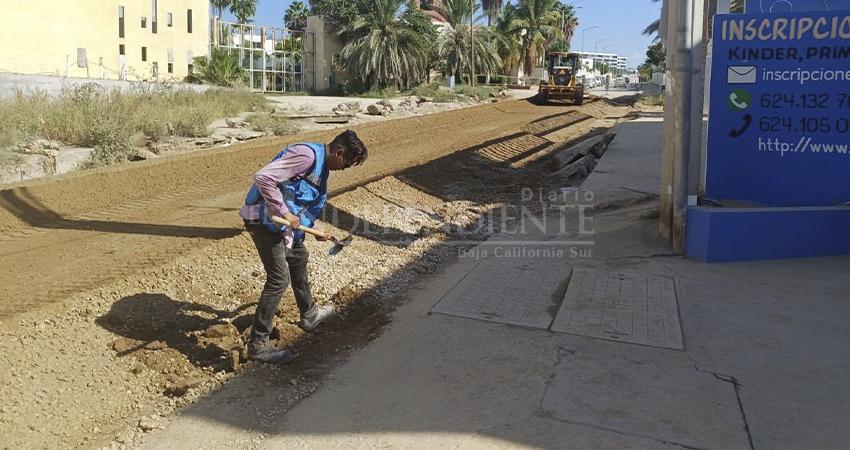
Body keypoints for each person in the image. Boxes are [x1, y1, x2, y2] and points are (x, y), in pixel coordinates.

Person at [240, 130, 368, 364]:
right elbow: (264, 177)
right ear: (339, 153)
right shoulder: (306, 156)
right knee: (279, 279)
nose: (345, 168)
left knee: (299, 256)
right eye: (347, 163)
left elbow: (305, 204)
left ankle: (309, 315)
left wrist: (311, 229)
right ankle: (258, 344)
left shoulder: (322, 170)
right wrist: (284, 212)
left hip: (282, 226)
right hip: (262, 220)